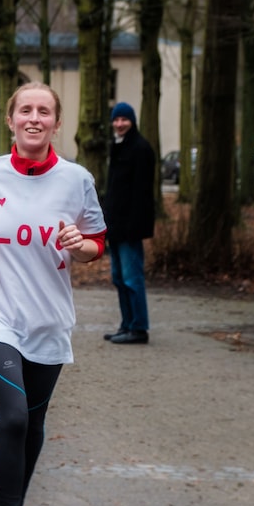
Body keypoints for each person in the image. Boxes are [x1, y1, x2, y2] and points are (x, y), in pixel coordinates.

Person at [0, 82, 106, 506]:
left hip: (47, 319)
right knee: (15, 417)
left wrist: (79, 245)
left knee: (34, 424)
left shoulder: (76, 180)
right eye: (26, 110)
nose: (34, 118)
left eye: (44, 111)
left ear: (57, 123)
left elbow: (96, 243)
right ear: (11, 120)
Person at [103, 102, 155, 345]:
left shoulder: (141, 148)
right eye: (116, 119)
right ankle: (127, 324)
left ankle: (139, 328)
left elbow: (142, 194)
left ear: (132, 121)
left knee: (132, 279)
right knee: (119, 278)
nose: (119, 124)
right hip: (115, 227)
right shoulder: (118, 146)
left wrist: (134, 227)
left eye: (124, 119)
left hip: (129, 228)